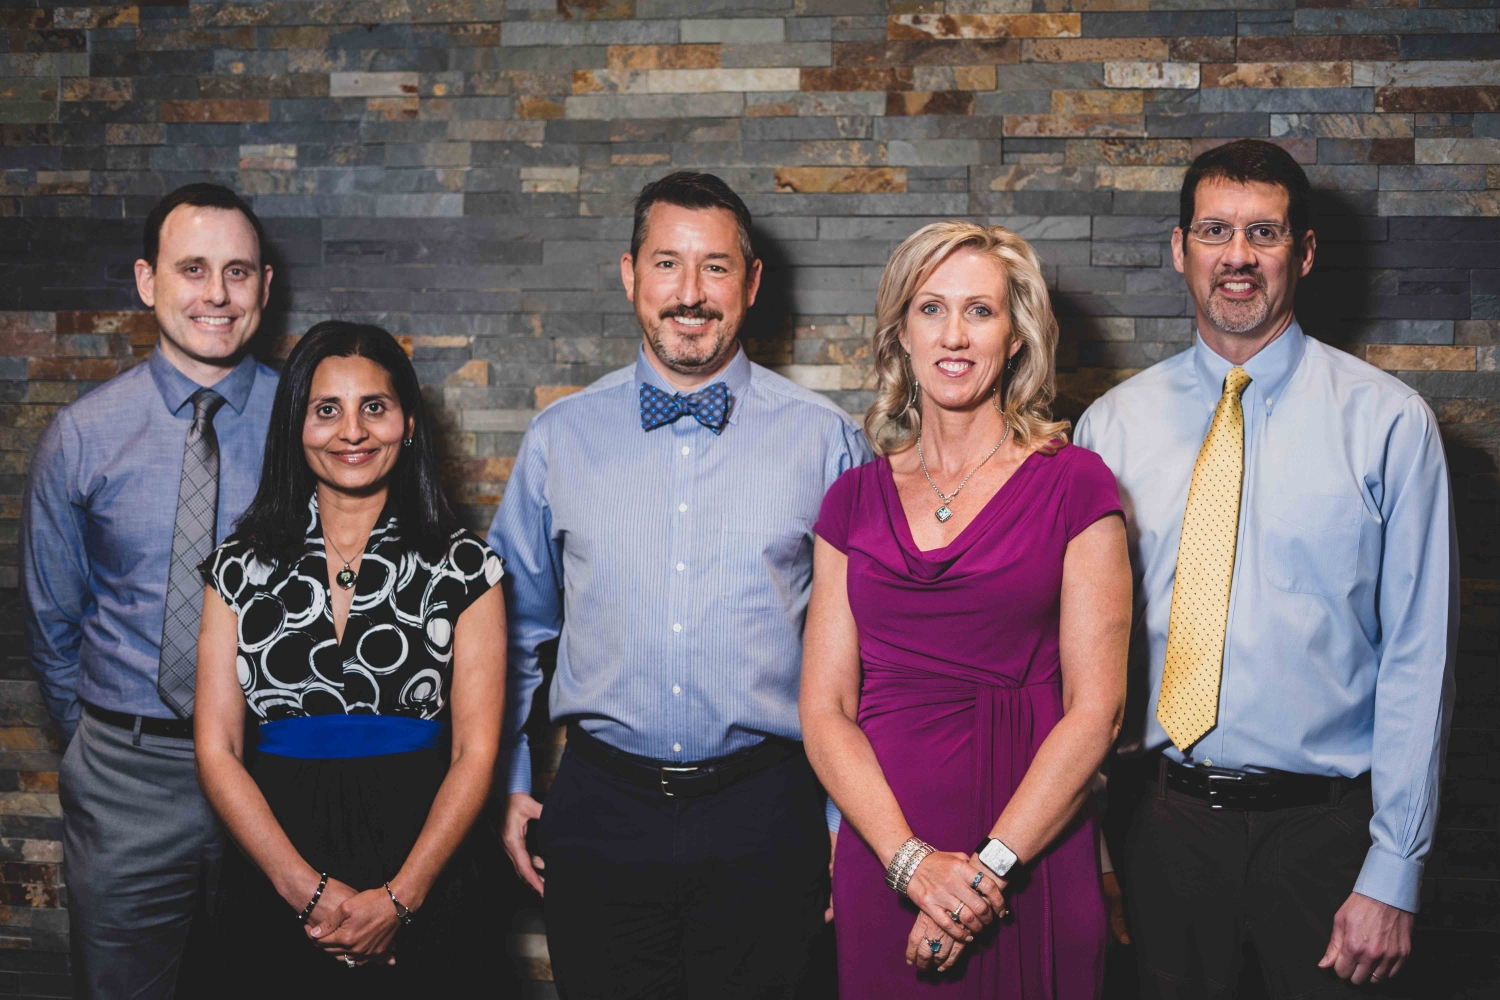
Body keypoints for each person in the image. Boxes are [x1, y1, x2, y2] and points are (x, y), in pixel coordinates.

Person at [1074, 139, 1457, 996]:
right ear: (1180, 250)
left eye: (1264, 233)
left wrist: (1394, 869)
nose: (1237, 257)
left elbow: (1418, 659)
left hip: (1325, 840)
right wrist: (1086, 837)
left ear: (1305, 252)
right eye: (1214, 230)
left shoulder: (1390, 426)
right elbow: (1078, 658)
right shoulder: (1110, 429)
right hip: (1157, 825)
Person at [490, 171, 872, 998]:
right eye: (667, 264)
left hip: (769, 811)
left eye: (716, 267)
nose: (690, 294)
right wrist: (511, 783)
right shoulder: (559, 440)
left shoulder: (829, 444)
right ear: (630, 275)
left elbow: (867, 655)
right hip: (600, 810)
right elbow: (512, 634)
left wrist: (852, 820)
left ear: (753, 282)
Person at [800, 221, 1132, 997]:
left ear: (1016, 336)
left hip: (1030, 854)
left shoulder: (1077, 484)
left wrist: (983, 875)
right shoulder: (850, 500)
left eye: (980, 312)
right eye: (931, 308)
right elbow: (823, 708)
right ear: (901, 332)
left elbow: (1098, 712)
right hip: (886, 853)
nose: (955, 334)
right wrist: (910, 865)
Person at [194, 321, 505, 995]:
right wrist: (304, 892)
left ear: (409, 422)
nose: (352, 431)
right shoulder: (237, 570)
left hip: (425, 866)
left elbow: (475, 753)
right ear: (295, 428)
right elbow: (216, 747)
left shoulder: (466, 568)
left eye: (375, 407)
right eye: (326, 409)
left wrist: (401, 898)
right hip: (277, 868)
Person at [20, 183, 277, 998]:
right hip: (126, 777)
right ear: (147, 280)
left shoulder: (309, 423)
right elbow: (53, 618)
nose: (215, 295)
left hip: (273, 767)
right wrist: (105, 741)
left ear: (265, 288)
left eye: (238, 273)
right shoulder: (84, 433)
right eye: (193, 268)